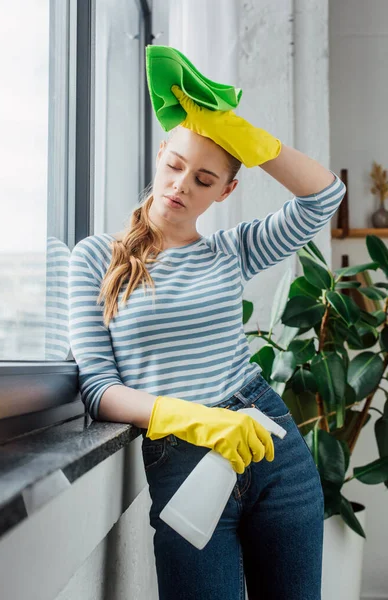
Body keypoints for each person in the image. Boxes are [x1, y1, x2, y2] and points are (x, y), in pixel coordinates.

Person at [68, 89, 346, 599]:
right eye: (175, 165)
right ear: (160, 157)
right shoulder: (95, 258)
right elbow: (98, 389)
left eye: (203, 179)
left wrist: (255, 141)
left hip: (269, 444)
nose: (180, 186)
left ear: (225, 191)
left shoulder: (230, 251)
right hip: (181, 455)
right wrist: (193, 418)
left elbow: (324, 197)